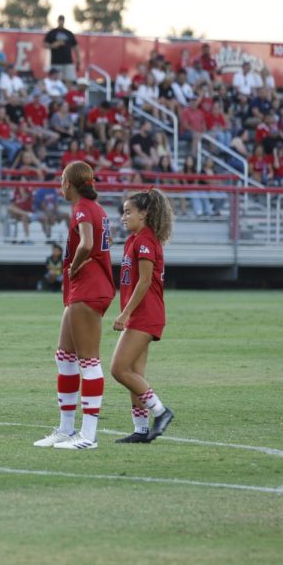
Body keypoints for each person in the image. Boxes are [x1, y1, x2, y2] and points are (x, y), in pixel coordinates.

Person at [33, 161, 115, 451]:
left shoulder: (82, 207)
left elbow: (87, 243)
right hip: (89, 288)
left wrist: (74, 267)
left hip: (88, 289)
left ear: (68, 183)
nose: (60, 185)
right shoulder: (98, 209)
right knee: (64, 357)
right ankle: (66, 429)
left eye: (62, 180)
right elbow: (107, 239)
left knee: (88, 362)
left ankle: (88, 436)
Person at [111, 190, 176, 443]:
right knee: (135, 374)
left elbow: (146, 280)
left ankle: (161, 412)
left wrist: (125, 313)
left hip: (145, 314)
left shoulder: (146, 240)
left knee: (119, 369)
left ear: (144, 214)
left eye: (128, 212)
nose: (123, 217)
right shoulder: (134, 239)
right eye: (123, 212)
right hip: (143, 314)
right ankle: (140, 430)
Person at [43, 16, 79, 81]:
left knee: (70, 80)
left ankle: (69, 91)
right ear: (58, 21)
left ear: (64, 21)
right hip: (56, 61)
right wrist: (53, 45)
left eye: (62, 20)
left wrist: (78, 60)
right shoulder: (52, 33)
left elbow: (76, 47)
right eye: (60, 20)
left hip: (68, 61)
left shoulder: (69, 33)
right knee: (56, 80)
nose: (61, 22)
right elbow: (45, 44)